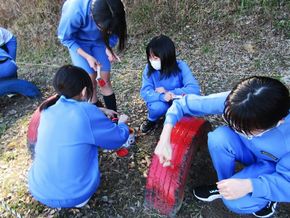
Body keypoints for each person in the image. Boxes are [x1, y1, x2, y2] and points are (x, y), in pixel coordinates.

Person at [155, 76, 290, 217]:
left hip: (275, 167)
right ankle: (225, 185)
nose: (237, 129)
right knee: (218, 138)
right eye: (233, 124)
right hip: (248, 150)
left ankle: (267, 199)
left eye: (246, 129)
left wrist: (250, 186)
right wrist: (164, 139)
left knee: (236, 202)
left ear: (278, 122)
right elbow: (182, 104)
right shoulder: (240, 102)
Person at [28, 65, 130, 208]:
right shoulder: (86, 112)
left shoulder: (48, 109)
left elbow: (75, 114)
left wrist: (98, 110)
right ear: (84, 91)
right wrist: (122, 124)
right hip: (74, 195)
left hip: (39, 188)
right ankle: (79, 201)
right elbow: (117, 138)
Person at [57, 0, 127, 111]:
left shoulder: (112, 6)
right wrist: (87, 56)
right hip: (78, 43)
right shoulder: (74, 9)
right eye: (103, 28)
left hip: (99, 42)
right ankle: (95, 118)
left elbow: (115, 31)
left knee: (104, 80)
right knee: (89, 83)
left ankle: (114, 119)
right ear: (91, 15)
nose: (108, 31)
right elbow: (65, 38)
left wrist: (108, 47)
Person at [140, 35, 200, 134]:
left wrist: (170, 93)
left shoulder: (181, 66)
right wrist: (162, 96)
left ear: (167, 56)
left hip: (177, 100)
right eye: (150, 57)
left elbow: (194, 89)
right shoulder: (148, 68)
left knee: (185, 122)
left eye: (155, 58)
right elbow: (145, 92)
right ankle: (152, 120)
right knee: (158, 108)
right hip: (159, 101)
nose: (152, 61)